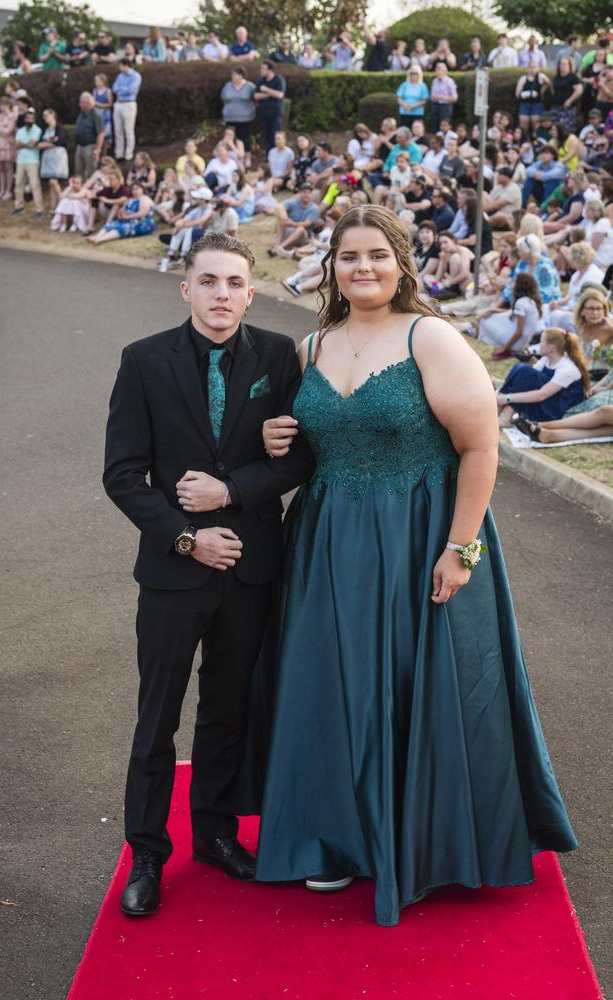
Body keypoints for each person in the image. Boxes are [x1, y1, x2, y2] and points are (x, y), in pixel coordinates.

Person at [254, 205, 577, 926]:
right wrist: (281, 436)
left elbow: (480, 446)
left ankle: (430, 843)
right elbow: (312, 444)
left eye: (376, 255)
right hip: (330, 536)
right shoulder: (312, 346)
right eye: (348, 257)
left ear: (401, 262)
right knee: (333, 683)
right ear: (331, 267)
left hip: (422, 529)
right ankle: (337, 841)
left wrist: (460, 548)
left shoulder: (428, 335)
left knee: (421, 680)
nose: (362, 268)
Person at [103, 230, 315, 916]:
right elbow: (123, 474)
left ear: (251, 293)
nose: (222, 294)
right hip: (173, 574)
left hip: (252, 572)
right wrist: (188, 538)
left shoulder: (279, 358)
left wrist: (232, 492)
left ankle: (217, 836)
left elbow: (300, 459)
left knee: (228, 712)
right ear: (186, 287)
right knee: (156, 719)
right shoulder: (142, 361)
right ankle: (146, 853)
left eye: (234, 283)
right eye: (209, 281)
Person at [497, 327, 589, 425]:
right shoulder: (547, 359)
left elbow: (541, 395)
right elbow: (524, 380)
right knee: (522, 369)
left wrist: (507, 398)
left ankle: (505, 414)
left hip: (554, 411)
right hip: (547, 401)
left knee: (525, 371)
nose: (538, 345)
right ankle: (499, 411)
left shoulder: (567, 369)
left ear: (550, 348)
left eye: (541, 341)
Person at [475, 271, 542, 358]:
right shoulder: (530, 300)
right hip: (524, 341)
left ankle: (481, 335)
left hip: (518, 344)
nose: (512, 284)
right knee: (492, 315)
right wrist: (492, 310)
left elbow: (519, 332)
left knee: (484, 320)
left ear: (519, 286)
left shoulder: (521, 303)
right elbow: (511, 312)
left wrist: (505, 348)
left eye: (514, 282)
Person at [547, 242, 604, 330]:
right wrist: (557, 303)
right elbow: (570, 296)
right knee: (546, 308)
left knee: (556, 315)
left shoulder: (594, 276)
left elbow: (587, 304)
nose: (569, 261)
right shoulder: (576, 274)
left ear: (579, 259)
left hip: (583, 312)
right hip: (571, 307)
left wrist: (562, 309)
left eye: (572, 259)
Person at [87, 181, 155, 243]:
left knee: (124, 227)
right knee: (110, 224)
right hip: (128, 220)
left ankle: (101, 239)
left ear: (142, 189)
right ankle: (98, 236)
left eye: (137, 189)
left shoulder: (144, 198)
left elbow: (142, 214)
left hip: (142, 222)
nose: (134, 191)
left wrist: (127, 217)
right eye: (133, 190)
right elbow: (123, 210)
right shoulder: (130, 199)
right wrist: (120, 214)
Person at [269, 183, 319, 256]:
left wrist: (292, 224)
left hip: (303, 237)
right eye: (304, 192)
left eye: (309, 193)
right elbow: (279, 206)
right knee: (281, 220)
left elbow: (307, 224)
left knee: (301, 229)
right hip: (291, 230)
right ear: (300, 193)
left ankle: (280, 248)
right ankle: (278, 244)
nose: (306, 195)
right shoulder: (293, 202)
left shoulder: (314, 208)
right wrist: (285, 218)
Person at [423, 229, 473, 298]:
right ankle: (438, 291)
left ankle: (450, 290)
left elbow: (464, 273)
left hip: (470, 281)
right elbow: (438, 278)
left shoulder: (463, 251)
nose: (443, 246)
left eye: (445, 242)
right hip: (454, 281)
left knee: (454, 257)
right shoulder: (447, 254)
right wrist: (442, 261)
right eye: (441, 244)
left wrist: (449, 282)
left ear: (453, 241)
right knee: (426, 277)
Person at [12, 107, 43, 218]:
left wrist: (23, 144)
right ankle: (19, 207)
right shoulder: (20, 131)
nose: (29, 120)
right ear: (25, 120)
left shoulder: (37, 130)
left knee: (35, 185)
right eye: (27, 118)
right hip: (21, 160)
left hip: (33, 160)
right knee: (18, 184)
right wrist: (27, 144)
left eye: (31, 118)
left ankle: (39, 209)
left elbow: (32, 144)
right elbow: (16, 145)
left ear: (34, 120)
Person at [221, 67, 256, 163]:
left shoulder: (250, 86)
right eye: (232, 75)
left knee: (244, 137)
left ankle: (247, 157)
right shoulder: (227, 86)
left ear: (241, 76)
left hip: (245, 118)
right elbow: (223, 98)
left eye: (235, 75)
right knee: (229, 138)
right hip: (230, 117)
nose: (233, 77)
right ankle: (231, 157)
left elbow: (255, 99)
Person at [111, 59, 142, 164]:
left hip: (129, 104)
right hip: (118, 103)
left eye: (121, 65)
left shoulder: (136, 76)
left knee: (128, 130)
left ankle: (128, 155)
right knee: (118, 130)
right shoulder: (120, 76)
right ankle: (119, 154)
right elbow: (114, 88)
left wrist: (122, 89)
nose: (119, 68)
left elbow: (132, 90)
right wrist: (124, 89)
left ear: (126, 66)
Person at [39, 107, 69, 212]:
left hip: (58, 156)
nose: (45, 118)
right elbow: (41, 143)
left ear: (53, 115)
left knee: (54, 181)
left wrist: (47, 143)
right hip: (48, 157)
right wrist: (49, 143)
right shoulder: (45, 129)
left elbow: (58, 141)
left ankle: (63, 202)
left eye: (47, 115)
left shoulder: (59, 127)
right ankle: (53, 208)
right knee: (51, 183)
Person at [254, 62, 287, 156]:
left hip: (276, 113)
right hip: (263, 113)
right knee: (266, 136)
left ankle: (279, 155)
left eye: (264, 69)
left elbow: (280, 95)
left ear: (270, 70)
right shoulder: (260, 80)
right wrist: (271, 94)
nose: (261, 71)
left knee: (276, 135)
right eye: (261, 68)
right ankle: (269, 156)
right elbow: (256, 96)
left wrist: (266, 90)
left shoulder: (278, 80)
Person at [0, 96, 17, 201]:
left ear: (8, 105)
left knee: (8, 167)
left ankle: (8, 190)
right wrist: (2, 129)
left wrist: (0, 129)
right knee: (0, 168)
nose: (2, 107)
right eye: (1, 105)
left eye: (4, 105)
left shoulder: (12, 117)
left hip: (8, 144)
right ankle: (1, 190)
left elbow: (9, 130)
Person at [74, 92, 105, 179]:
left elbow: (101, 133)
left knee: (91, 171)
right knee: (79, 171)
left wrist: (97, 150)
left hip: (90, 146)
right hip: (80, 146)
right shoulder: (82, 114)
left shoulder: (96, 115)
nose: (79, 104)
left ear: (87, 103)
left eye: (81, 102)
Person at [515, 62, 551, 134]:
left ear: (538, 68)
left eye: (534, 67)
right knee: (523, 122)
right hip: (525, 103)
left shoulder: (541, 77)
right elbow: (517, 94)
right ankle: (524, 138)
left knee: (535, 121)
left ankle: (536, 138)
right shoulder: (523, 79)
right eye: (530, 67)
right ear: (527, 69)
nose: (532, 69)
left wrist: (542, 91)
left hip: (536, 103)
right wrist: (525, 94)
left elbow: (549, 83)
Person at [549, 57, 583, 132]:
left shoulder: (573, 77)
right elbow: (552, 89)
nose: (563, 66)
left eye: (565, 64)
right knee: (555, 128)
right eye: (561, 64)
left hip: (567, 108)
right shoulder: (556, 77)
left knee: (567, 128)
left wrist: (569, 100)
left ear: (569, 66)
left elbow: (579, 90)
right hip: (555, 106)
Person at [396, 65, 429, 130]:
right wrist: (405, 106)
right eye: (411, 73)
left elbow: (424, 100)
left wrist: (413, 106)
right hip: (404, 112)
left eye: (415, 73)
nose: (413, 75)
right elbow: (399, 98)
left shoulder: (423, 86)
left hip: (417, 112)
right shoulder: (404, 84)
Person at [430, 63, 458, 131]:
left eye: (440, 69)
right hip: (436, 105)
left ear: (445, 71)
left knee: (444, 125)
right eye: (437, 69)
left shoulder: (449, 81)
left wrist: (442, 97)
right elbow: (432, 96)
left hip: (446, 106)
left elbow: (455, 98)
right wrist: (434, 98)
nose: (438, 71)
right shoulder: (434, 81)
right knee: (435, 125)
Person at [92, 74, 113, 146]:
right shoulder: (95, 91)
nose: (96, 83)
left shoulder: (108, 91)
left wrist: (100, 105)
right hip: (97, 113)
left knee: (105, 133)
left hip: (105, 114)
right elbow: (93, 102)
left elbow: (110, 104)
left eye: (97, 81)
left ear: (103, 82)